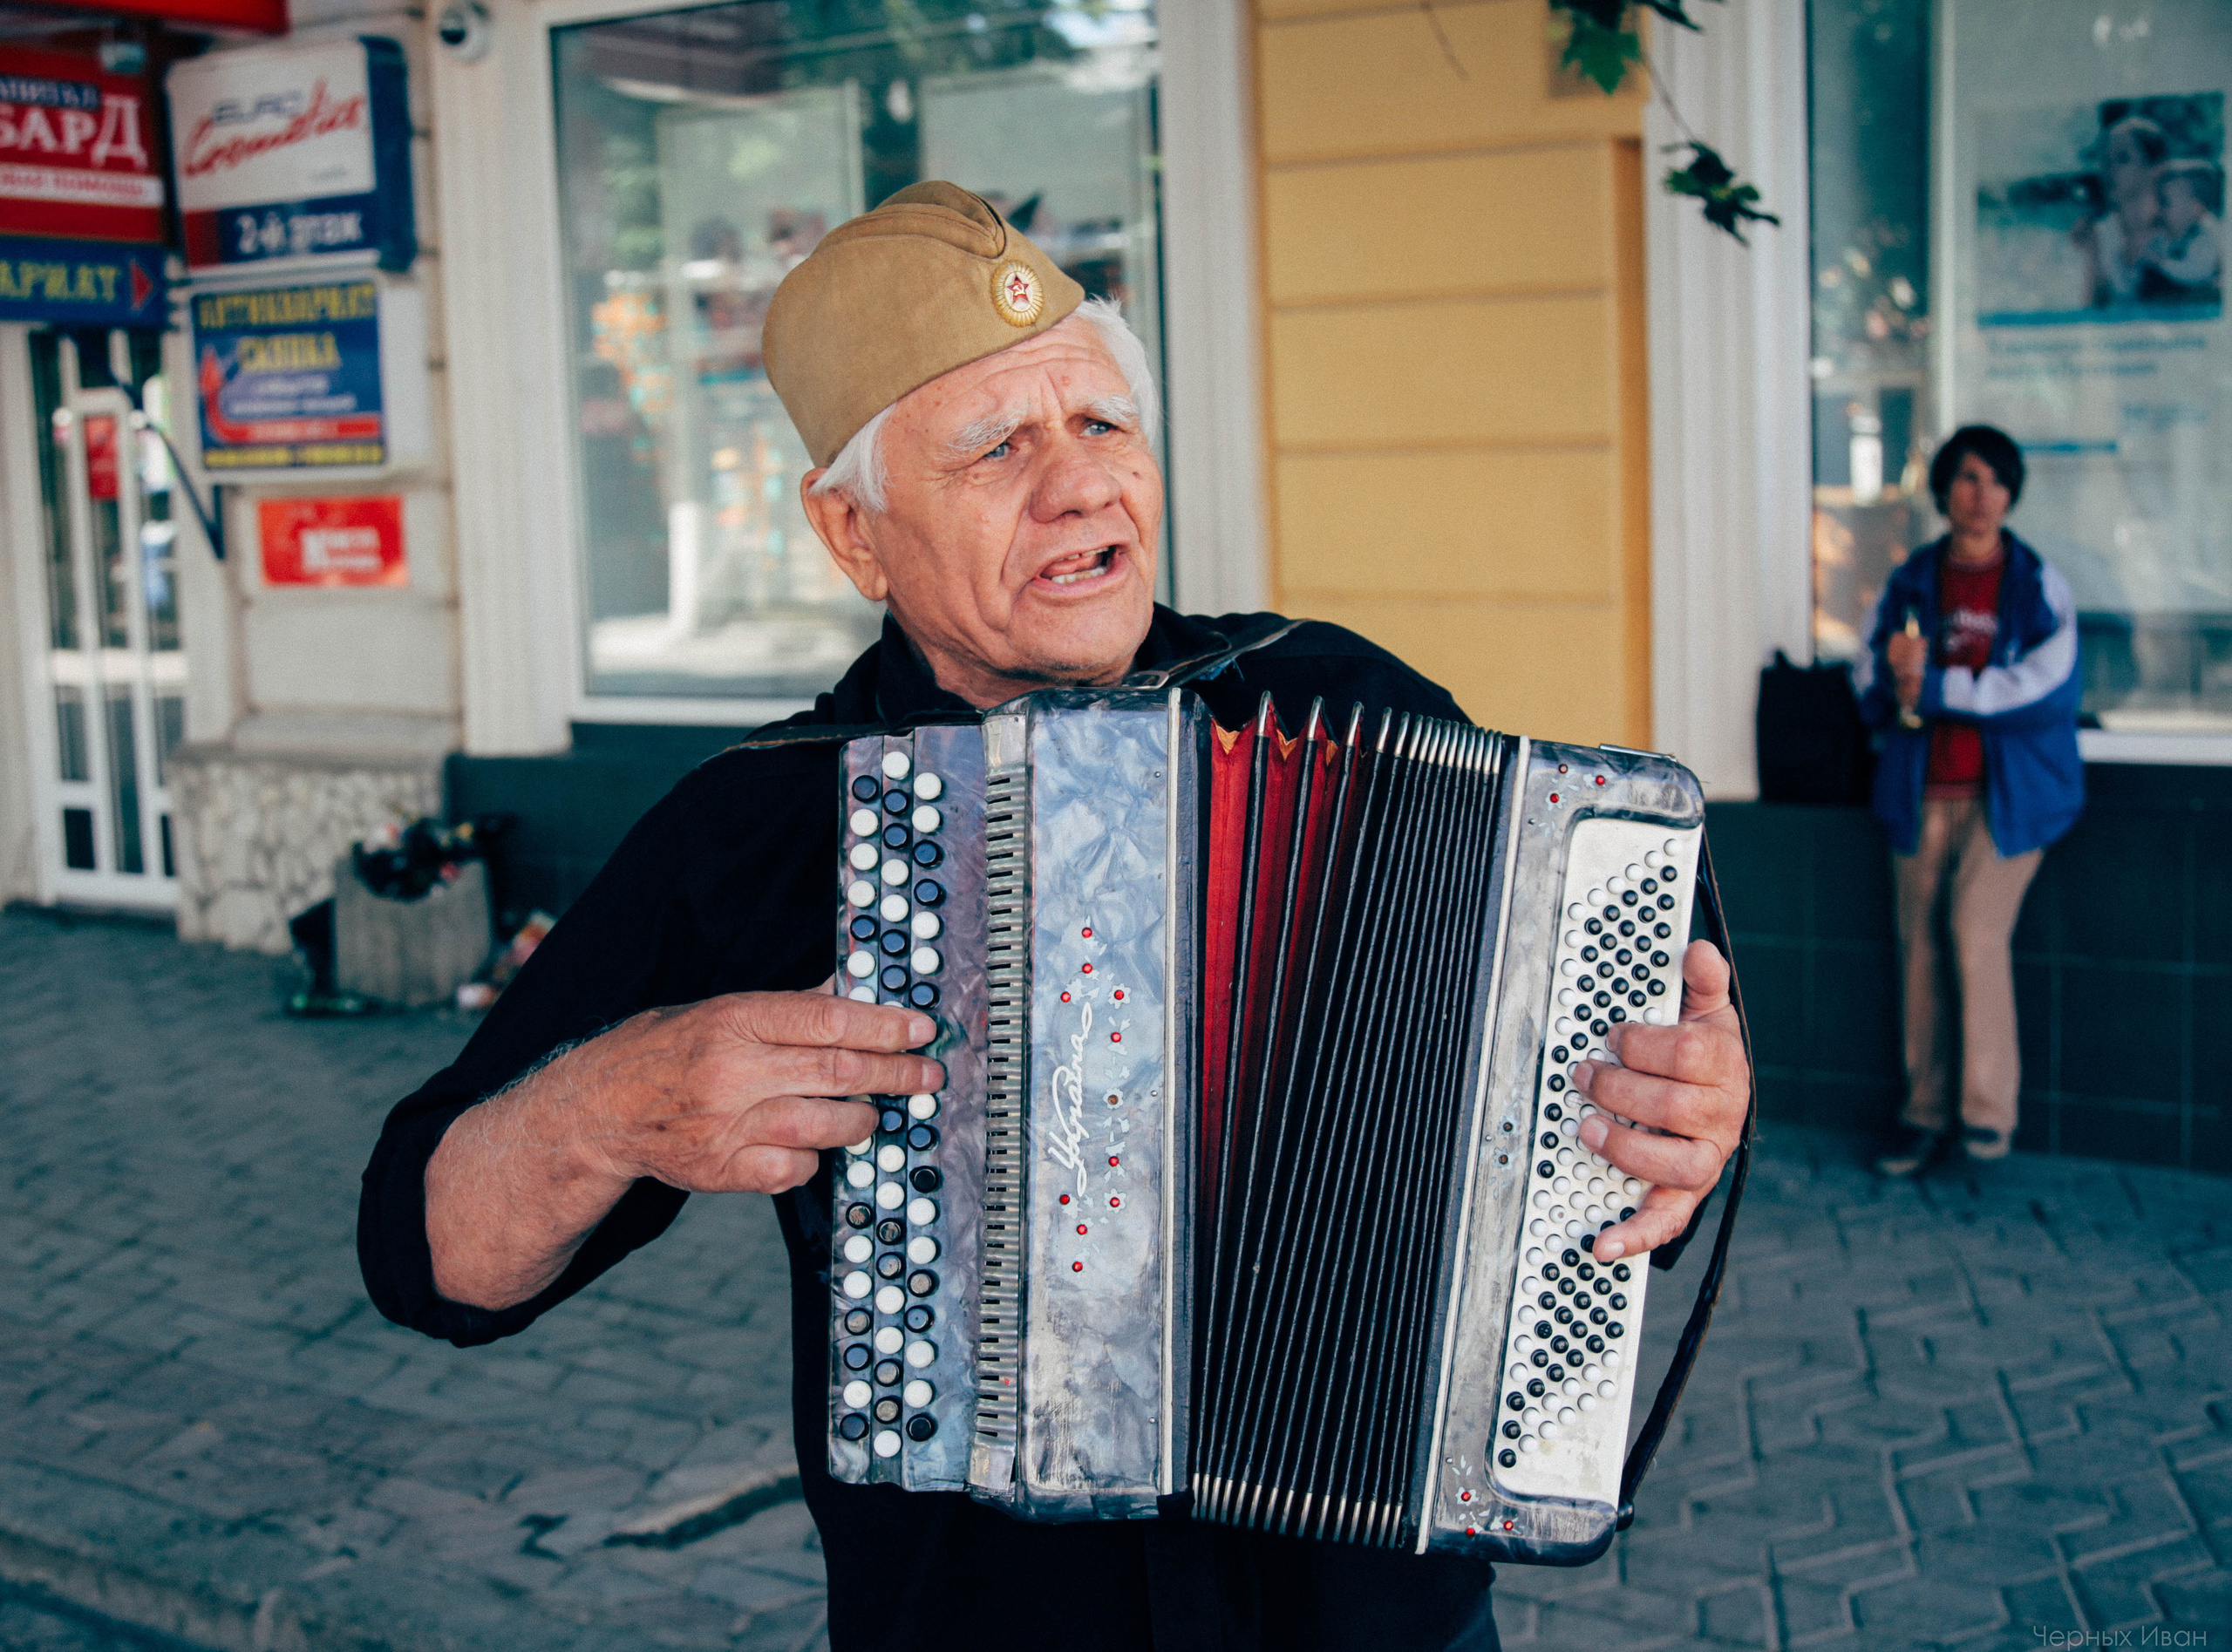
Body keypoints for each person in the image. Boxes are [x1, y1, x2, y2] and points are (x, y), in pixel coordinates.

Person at [357, 183, 1752, 1651]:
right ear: (854, 534)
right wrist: (605, 1109)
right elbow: (424, 1253)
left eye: (1100, 425)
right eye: (994, 447)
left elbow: (1587, 1147)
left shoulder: (1350, 709)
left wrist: (1672, 1127)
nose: (1080, 485)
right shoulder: (760, 827)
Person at [1856, 425, 2083, 1179]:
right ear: (1944, 489)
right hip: (1922, 793)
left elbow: (2049, 682)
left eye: (1993, 480)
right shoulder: (1913, 579)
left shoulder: (2035, 583)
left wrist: (1942, 687)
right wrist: (1894, 679)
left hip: (2007, 799)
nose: (1979, 494)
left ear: (2011, 493)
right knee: (1918, 949)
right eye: (1965, 478)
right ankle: (1922, 1115)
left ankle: (1986, 1114)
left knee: (1971, 931)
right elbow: (1870, 677)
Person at [2073, 115, 2168, 309]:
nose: (2110, 169)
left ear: (2155, 169)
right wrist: (2093, 260)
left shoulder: (2182, 230)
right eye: (2106, 160)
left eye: (2123, 158)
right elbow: (2088, 317)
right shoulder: (2097, 236)